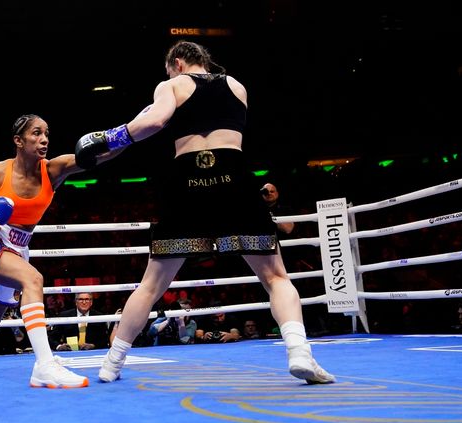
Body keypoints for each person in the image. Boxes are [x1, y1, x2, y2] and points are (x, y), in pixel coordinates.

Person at [75, 40, 335, 385]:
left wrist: (110, 137)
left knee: (152, 285)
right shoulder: (237, 86)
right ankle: (299, 353)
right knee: (275, 278)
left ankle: (112, 363)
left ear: (178, 63)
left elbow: (155, 120)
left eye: (169, 70)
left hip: (188, 181)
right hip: (234, 177)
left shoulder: (172, 84)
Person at [0, 113, 120, 389]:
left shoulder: (53, 170)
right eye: (36, 133)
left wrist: (127, 136)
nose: (44, 139)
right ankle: (44, 365)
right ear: (18, 140)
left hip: (19, 246)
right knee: (33, 280)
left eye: (46, 133)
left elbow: (95, 157)